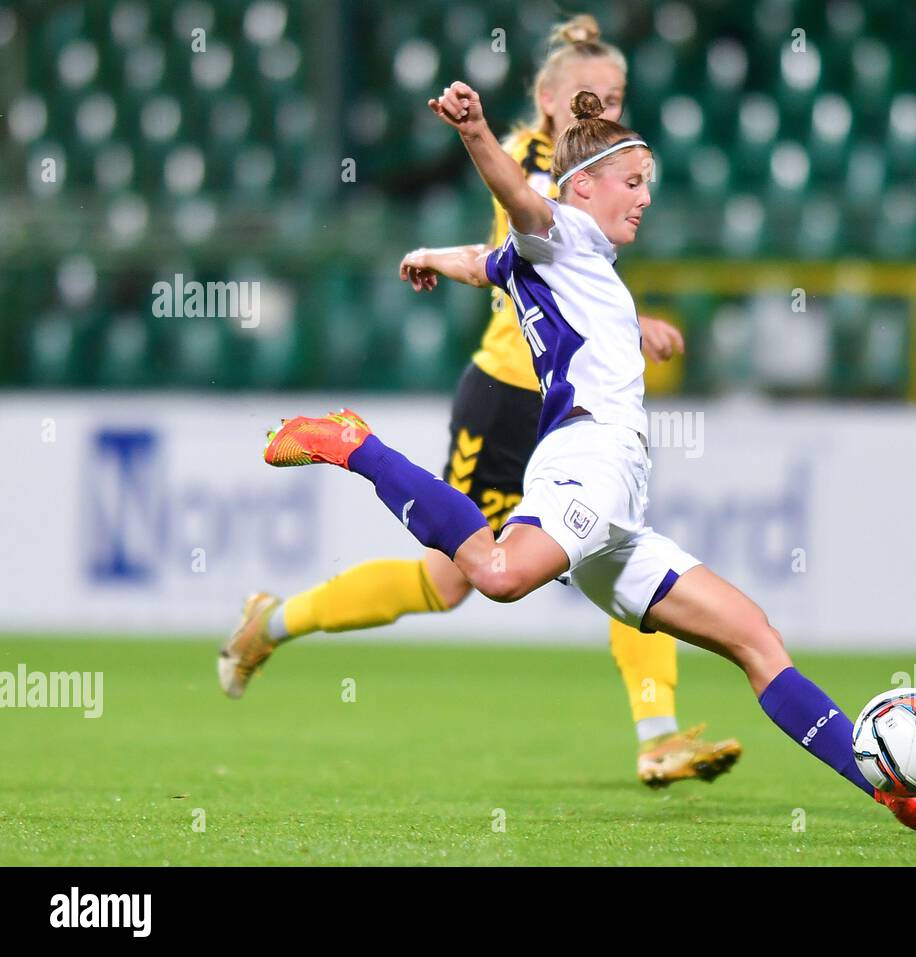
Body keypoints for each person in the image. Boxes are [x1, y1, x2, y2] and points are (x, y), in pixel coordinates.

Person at [257, 79, 916, 830]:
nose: (645, 198)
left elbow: (483, 258)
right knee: (495, 573)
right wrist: (476, 131)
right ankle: (355, 445)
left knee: (757, 639)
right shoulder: (566, 231)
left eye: (646, 183)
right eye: (633, 182)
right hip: (585, 461)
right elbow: (522, 205)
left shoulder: (564, 258)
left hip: (620, 507)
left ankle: (881, 782)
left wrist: (428, 253)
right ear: (581, 187)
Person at [218, 14, 741, 788]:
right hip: (506, 397)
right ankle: (273, 621)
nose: (607, 104)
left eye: (620, 93)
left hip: (573, 409)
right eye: (593, 92)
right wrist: (470, 145)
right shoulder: (532, 165)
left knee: (618, 545)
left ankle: (658, 735)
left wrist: (637, 323)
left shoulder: (591, 169)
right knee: (451, 578)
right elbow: (525, 248)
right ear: (548, 95)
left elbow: (580, 284)